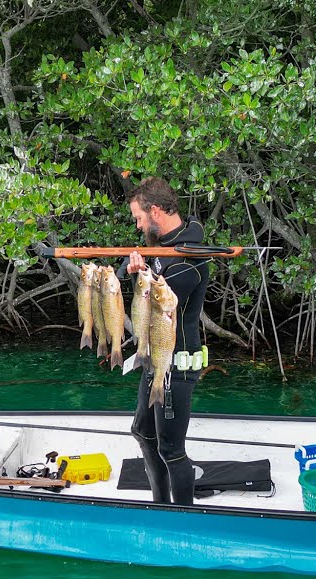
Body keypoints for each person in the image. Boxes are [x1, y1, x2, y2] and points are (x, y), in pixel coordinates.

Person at [120, 177, 209, 506]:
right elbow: (119, 275)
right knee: (143, 433)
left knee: (171, 449)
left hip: (177, 366)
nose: (138, 225)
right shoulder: (160, 247)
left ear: (155, 211)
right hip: (154, 360)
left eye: (139, 218)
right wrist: (130, 273)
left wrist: (143, 278)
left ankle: (181, 518)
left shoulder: (189, 261)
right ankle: (160, 506)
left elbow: (160, 305)